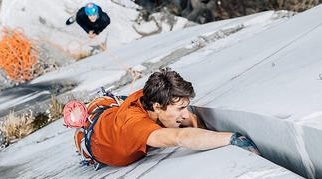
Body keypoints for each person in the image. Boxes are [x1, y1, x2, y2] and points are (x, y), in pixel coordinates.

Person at [70, 67, 261, 168]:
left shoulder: (153, 99)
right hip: (94, 128)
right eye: (179, 108)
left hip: (114, 111)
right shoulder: (136, 127)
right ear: (157, 107)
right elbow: (180, 138)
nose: (185, 113)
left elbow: (191, 122)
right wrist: (232, 138)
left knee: (184, 120)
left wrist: (194, 124)